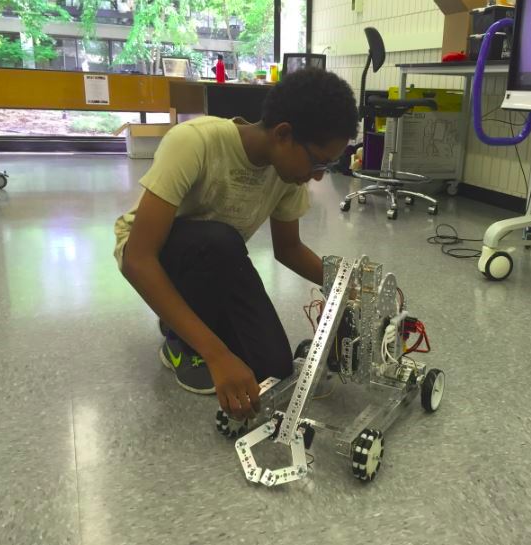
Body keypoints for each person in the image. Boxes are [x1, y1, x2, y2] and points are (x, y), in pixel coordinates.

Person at [113, 68, 359, 422]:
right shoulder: (196, 141)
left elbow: (288, 249)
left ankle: (200, 322)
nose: (319, 175)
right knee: (218, 239)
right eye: (318, 161)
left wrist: (344, 286)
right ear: (283, 134)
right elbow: (138, 258)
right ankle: (178, 341)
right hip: (160, 251)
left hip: (220, 259)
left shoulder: (289, 171)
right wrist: (217, 356)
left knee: (274, 368)